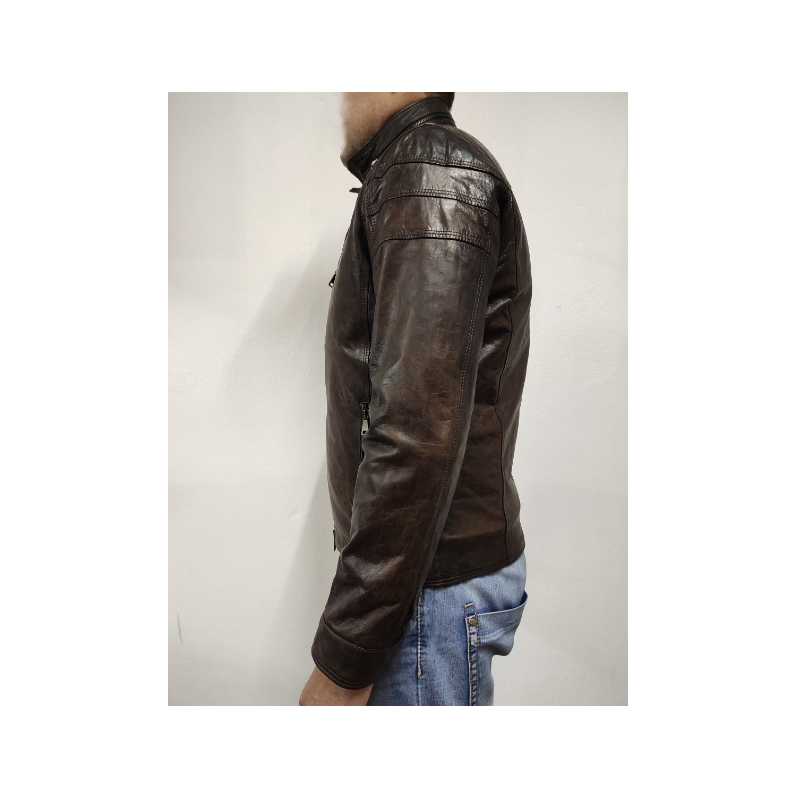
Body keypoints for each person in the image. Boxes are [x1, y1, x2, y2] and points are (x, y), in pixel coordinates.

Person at [299, 92, 532, 706]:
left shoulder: (429, 177)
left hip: (427, 592)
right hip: (424, 583)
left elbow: (415, 434)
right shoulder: (419, 173)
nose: (337, 96)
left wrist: (344, 661)